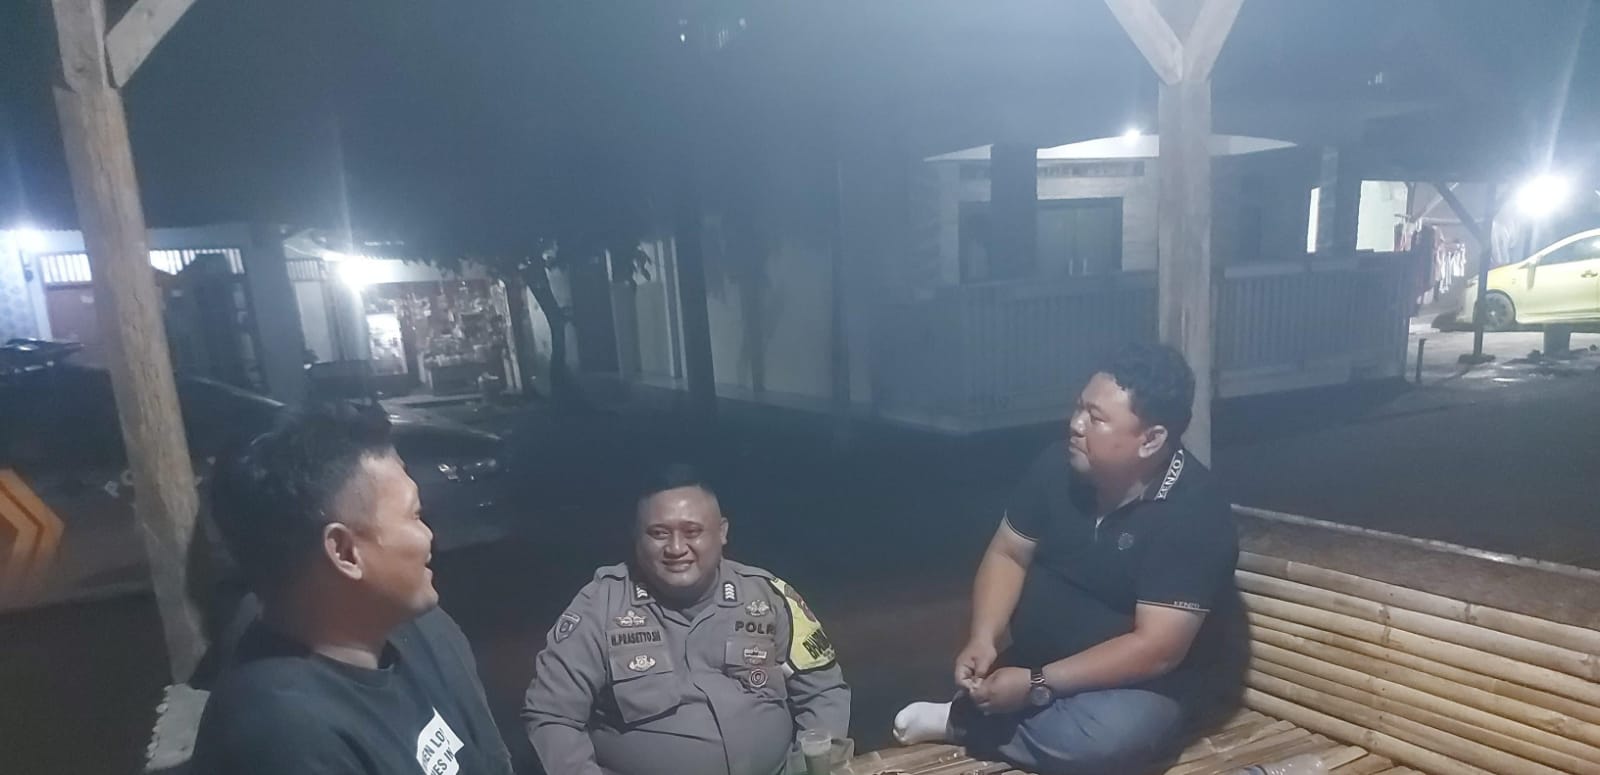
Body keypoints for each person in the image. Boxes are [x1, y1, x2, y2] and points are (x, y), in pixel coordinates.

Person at [893, 343, 1248, 775]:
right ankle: (1002, 714)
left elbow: (1157, 649)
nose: (1075, 425)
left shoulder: (1193, 513)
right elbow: (1008, 553)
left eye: (1096, 418)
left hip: (1138, 685)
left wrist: (1037, 683)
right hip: (1036, 659)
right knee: (1028, 702)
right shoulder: (1057, 468)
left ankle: (963, 721)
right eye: (1079, 408)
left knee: (1106, 741)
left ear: (1151, 439)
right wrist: (984, 636)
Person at [189, 401, 513, 775]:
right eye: (415, 515)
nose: (428, 537)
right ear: (344, 552)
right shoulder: (283, 739)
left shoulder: (425, 634)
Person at [524, 463, 850, 775]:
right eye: (659, 533)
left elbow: (823, 690)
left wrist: (809, 767)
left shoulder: (768, 596)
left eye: (692, 531)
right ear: (637, 537)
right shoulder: (599, 608)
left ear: (722, 532)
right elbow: (551, 716)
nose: (676, 548)